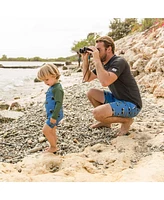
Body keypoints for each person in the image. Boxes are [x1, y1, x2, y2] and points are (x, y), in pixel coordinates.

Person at [81, 36, 142, 136]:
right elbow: (87, 78)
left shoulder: (119, 62)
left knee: (97, 113)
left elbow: (105, 82)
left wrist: (96, 59)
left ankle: (126, 121)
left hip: (132, 104)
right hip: (118, 99)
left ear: (109, 49)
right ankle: (106, 122)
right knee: (91, 93)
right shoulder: (104, 64)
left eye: (98, 49)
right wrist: (85, 59)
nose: (96, 52)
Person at [37, 63, 64, 153]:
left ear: (54, 75)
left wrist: (54, 117)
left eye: (47, 79)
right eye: (43, 80)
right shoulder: (53, 86)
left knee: (45, 130)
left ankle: (53, 147)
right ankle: (54, 146)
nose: (45, 82)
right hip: (52, 113)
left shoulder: (57, 89)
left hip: (55, 114)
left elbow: (59, 103)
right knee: (52, 130)